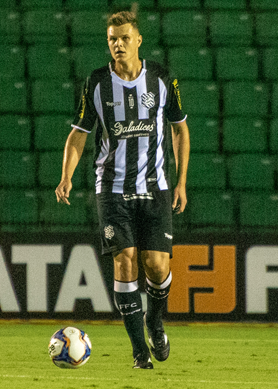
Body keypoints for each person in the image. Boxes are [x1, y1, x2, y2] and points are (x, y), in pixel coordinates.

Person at [55, 11, 190, 369]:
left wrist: (181, 182)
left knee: (157, 266)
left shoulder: (161, 78)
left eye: (125, 38)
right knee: (125, 260)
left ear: (138, 40)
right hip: (112, 188)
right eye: (113, 39)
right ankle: (138, 352)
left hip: (155, 186)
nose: (118, 44)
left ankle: (155, 322)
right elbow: (78, 135)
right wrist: (66, 175)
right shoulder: (97, 83)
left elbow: (179, 129)